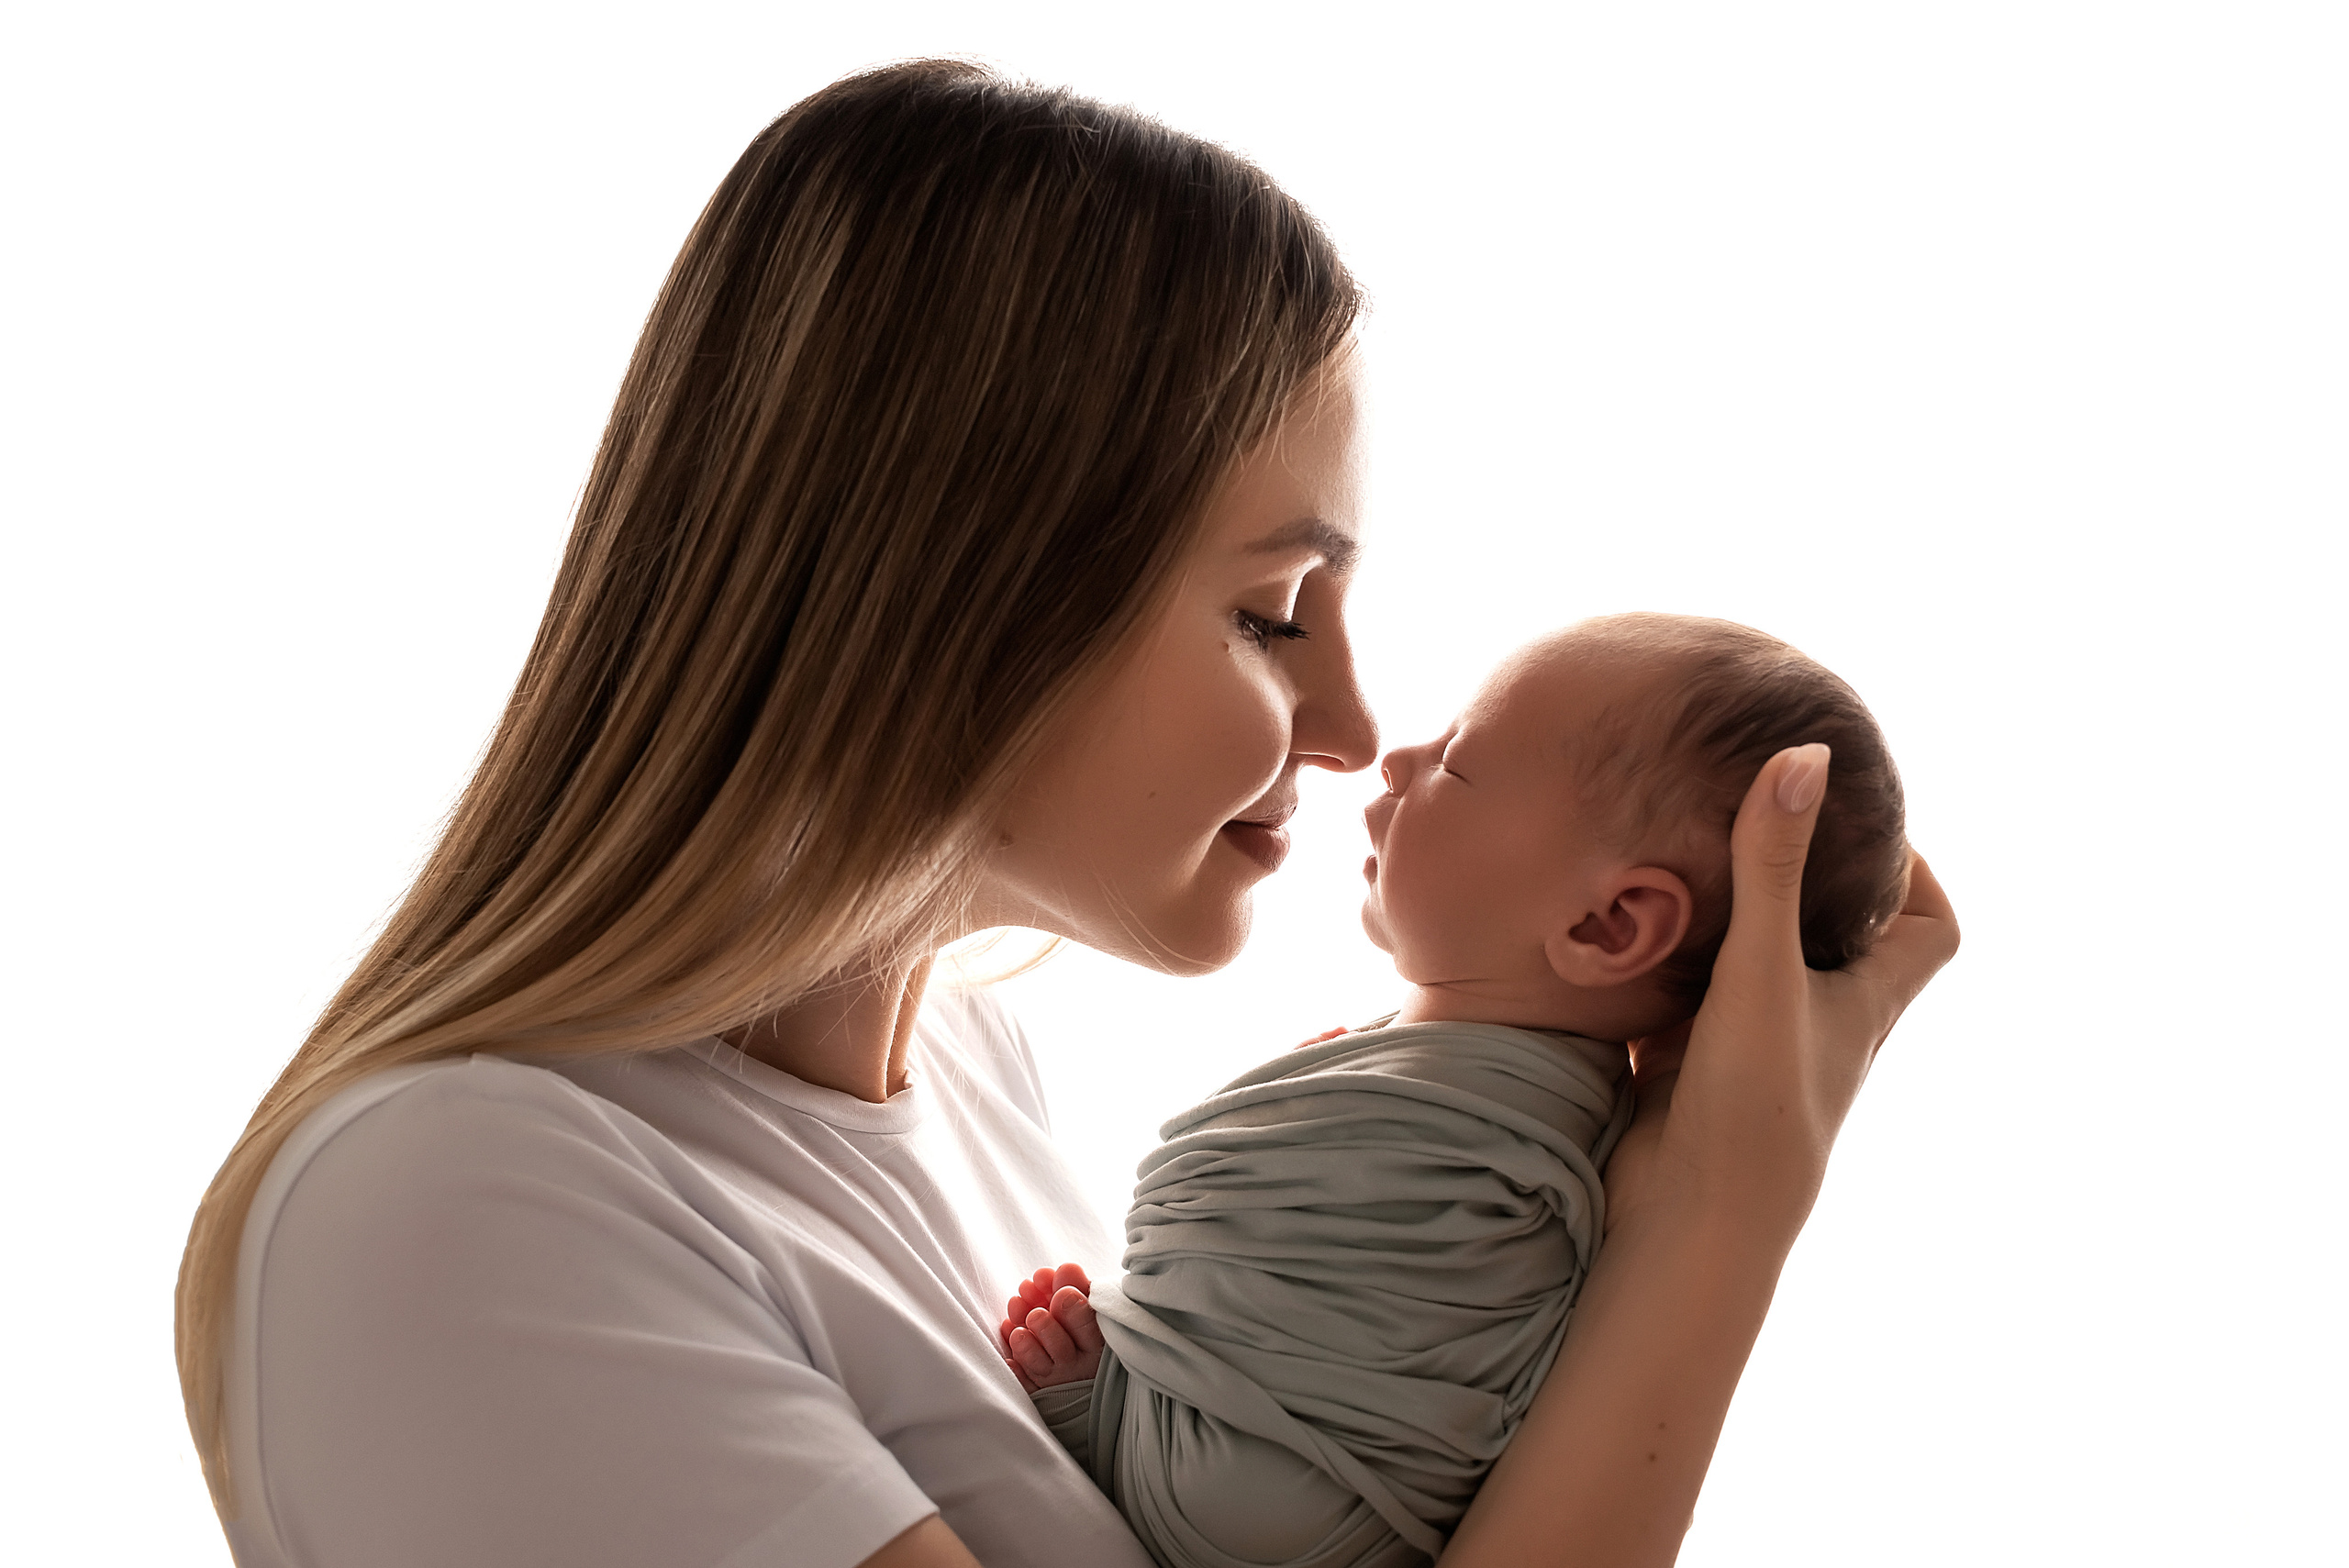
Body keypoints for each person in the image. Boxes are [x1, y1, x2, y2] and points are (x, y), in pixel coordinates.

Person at [173, 60, 1958, 1568]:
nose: (1348, 726)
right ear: (949, 595)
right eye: (1271, 613)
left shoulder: (972, 1083)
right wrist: (1716, 1216)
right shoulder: (465, 1206)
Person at [995, 615, 1911, 1568]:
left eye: (1457, 761)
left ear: (1608, 924)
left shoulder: (1502, 1118)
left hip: (1254, 1497)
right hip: (1311, 1492)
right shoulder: (1534, 1109)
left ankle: (1124, 1410)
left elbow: (1286, 1222)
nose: (1393, 758)